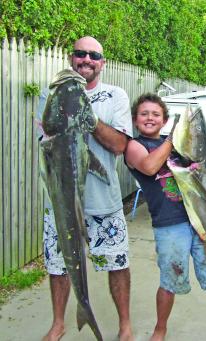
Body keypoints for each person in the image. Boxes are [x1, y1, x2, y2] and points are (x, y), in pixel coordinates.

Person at [37, 36, 134, 341]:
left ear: (102, 63)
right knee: (58, 265)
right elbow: (48, 144)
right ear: (71, 58)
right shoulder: (49, 94)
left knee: (117, 264)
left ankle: (125, 325)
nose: (87, 60)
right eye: (81, 54)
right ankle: (58, 322)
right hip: (60, 204)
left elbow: (120, 144)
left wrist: (88, 119)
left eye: (94, 55)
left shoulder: (115, 95)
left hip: (104, 203)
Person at [125, 93, 206, 341]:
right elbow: (150, 167)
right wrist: (174, 138)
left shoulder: (174, 143)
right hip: (168, 224)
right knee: (169, 279)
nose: (150, 118)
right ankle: (160, 328)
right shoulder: (134, 146)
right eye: (144, 114)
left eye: (155, 114)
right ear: (135, 120)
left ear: (164, 120)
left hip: (201, 219)